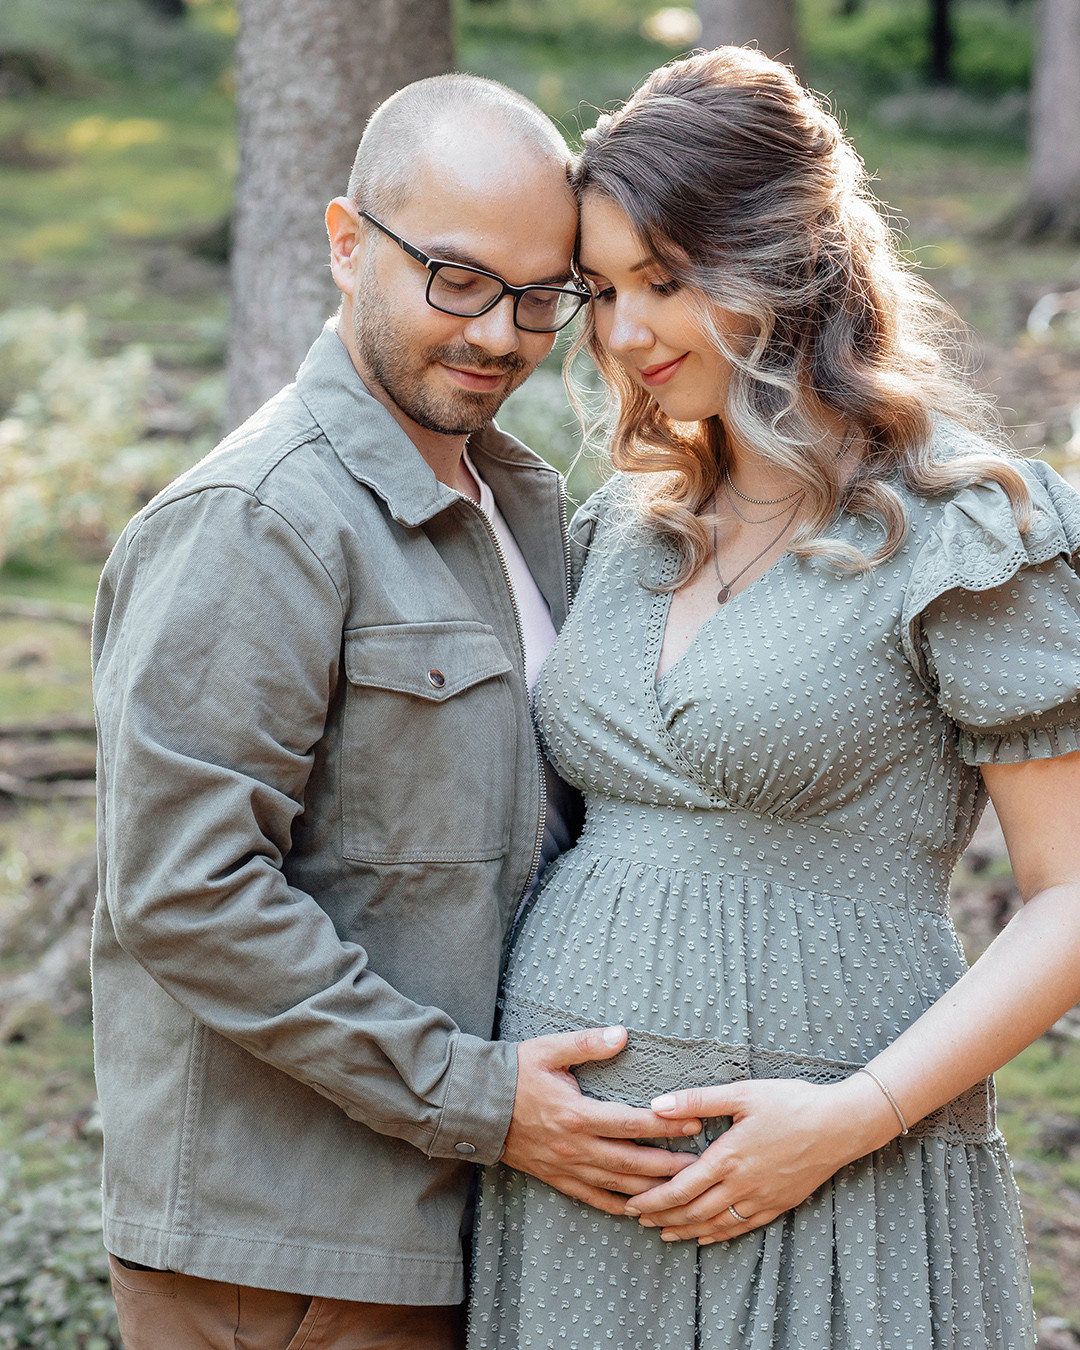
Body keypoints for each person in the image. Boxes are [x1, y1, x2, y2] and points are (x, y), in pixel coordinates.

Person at [470, 47, 1080, 1349]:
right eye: (603, 290)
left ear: (786, 261)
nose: (624, 336)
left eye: (665, 283)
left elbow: (1074, 892)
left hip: (838, 1177)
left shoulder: (959, 527)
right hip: (576, 1197)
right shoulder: (627, 529)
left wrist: (854, 1113)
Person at [91, 73, 698, 1350]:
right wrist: (477, 1098)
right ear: (346, 242)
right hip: (289, 1256)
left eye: (544, 297)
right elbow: (186, 889)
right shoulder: (258, 521)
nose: (501, 336)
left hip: (457, 1228)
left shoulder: (522, 513)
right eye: (459, 279)